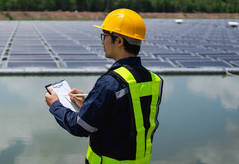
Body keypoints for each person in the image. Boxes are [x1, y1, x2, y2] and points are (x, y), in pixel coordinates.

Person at [45, 8, 163, 164]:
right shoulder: (153, 80)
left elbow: (80, 127)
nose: (102, 41)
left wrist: (55, 105)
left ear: (119, 41)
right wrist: (88, 104)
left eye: (105, 36)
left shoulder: (109, 83)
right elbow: (126, 117)